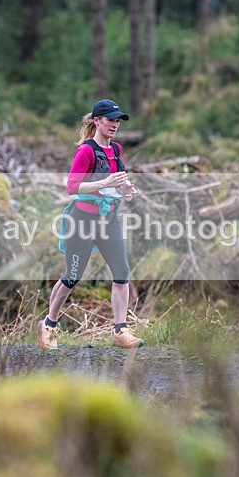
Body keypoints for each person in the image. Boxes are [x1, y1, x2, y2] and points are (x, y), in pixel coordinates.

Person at [37, 99, 143, 350]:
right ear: (97, 121)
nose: (115, 125)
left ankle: (120, 331)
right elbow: (72, 187)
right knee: (72, 277)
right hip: (82, 221)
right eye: (110, 120)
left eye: (117, 121)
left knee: (121, 274)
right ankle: (49, 326)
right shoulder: (86, 151)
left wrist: (126, 189)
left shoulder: (115, 150)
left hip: (108, 220)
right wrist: (104, 183)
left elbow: (119, 180)